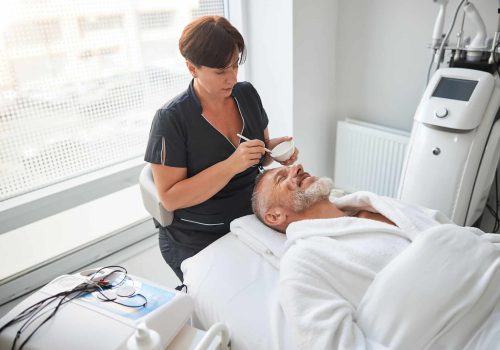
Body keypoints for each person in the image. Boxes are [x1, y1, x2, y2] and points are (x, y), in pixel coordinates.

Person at [252, 164, 500, 349]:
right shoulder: (302, 262)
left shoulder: (378, 204)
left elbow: (454, 234)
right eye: (281, 178)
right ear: (274, 217)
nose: (297, 167)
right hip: (469, 335)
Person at [144, 16, 298, 280]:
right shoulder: (171, 119)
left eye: (235, 66)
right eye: (220, 71)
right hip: (199, 233)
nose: (231, 78)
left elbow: (259, 156)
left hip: (252, 215)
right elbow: (170, 197)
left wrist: (273, 151)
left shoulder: (246, 94)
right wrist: (231, 165)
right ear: (192, 68)